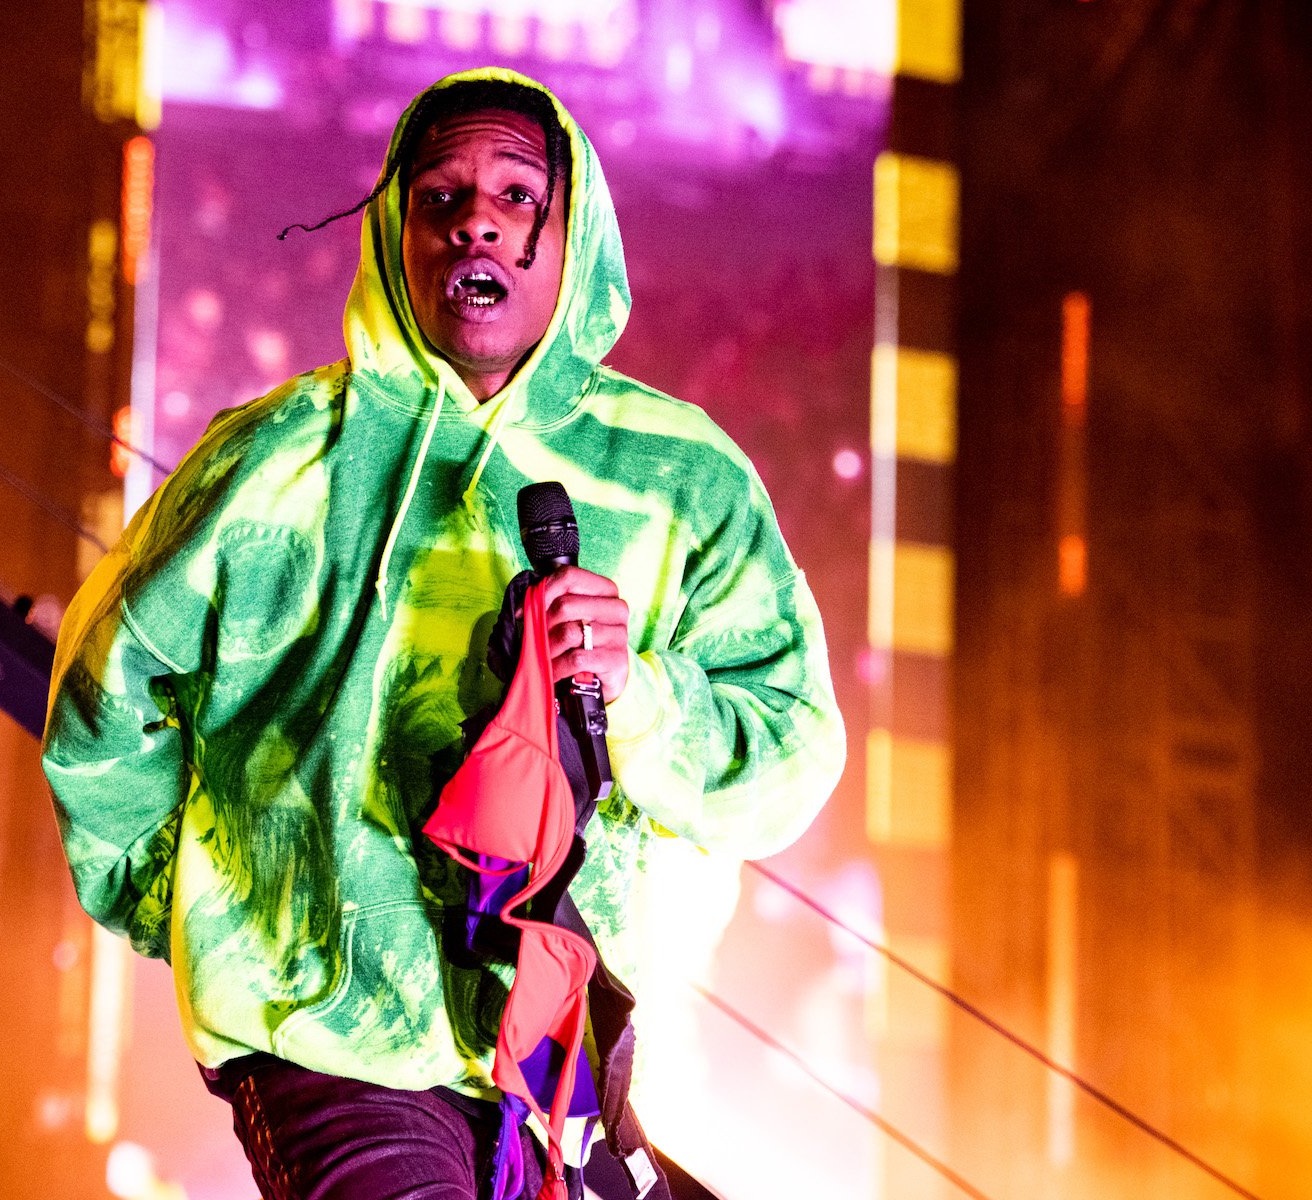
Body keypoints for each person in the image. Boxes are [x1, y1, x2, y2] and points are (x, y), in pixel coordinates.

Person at [41, 67, 845, 1199]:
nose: (475, 217)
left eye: (518, 195)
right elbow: (105, 696)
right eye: (440, 196)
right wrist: (209, 905)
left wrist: (641, 695)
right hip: (322, 1036)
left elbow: (789, 760)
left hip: (563, 1060)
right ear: (396, 233)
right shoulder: (271, 465)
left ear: (575, 237)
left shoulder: (681, 477)